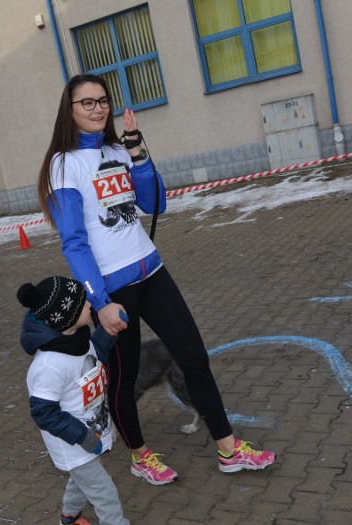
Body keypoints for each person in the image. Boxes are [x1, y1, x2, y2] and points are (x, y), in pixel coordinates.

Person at [36, 74, 275, 485]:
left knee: (195, 360)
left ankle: (230, 450)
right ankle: (140, 455)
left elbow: (154, 202)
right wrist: (100, 299)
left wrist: (138, 153)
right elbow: (74, 242)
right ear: (69, 110)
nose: (97, 109)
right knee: (124, 381)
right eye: (86, 103)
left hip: (153, 271)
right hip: (113, 289)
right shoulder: (64, 164)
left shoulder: (116, 149)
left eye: (102, 101)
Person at [18, 275, 163, 525]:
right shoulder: (48, 365)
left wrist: (109, 332)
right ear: (66, 315)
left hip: (89, 433)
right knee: (104, 492)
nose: (89, 305)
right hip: (72, 441)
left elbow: (95, 355)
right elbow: (44, 413)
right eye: (83, 303)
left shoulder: (74, 339)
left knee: (80, 477)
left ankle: (69, 518)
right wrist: (83, 438)